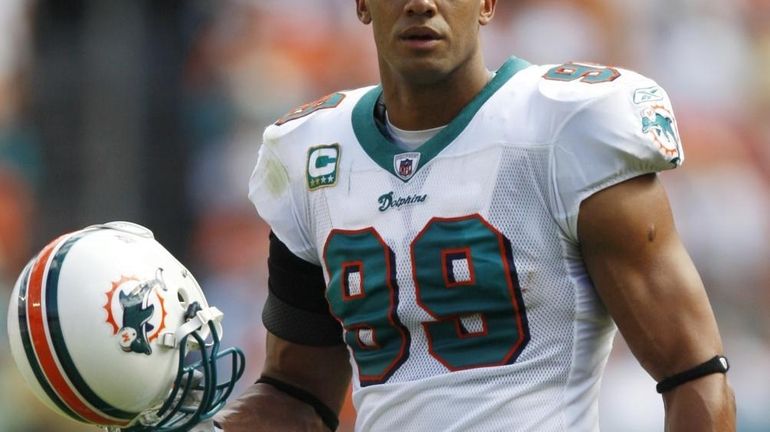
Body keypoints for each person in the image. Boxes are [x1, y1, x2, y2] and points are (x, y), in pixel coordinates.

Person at [214, 0, 736, 430]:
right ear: (362, 5)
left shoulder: (565, 127)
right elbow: (296, 393)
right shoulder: (310, 154)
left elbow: (693, 372)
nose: (421, 4)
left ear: (487, 4)